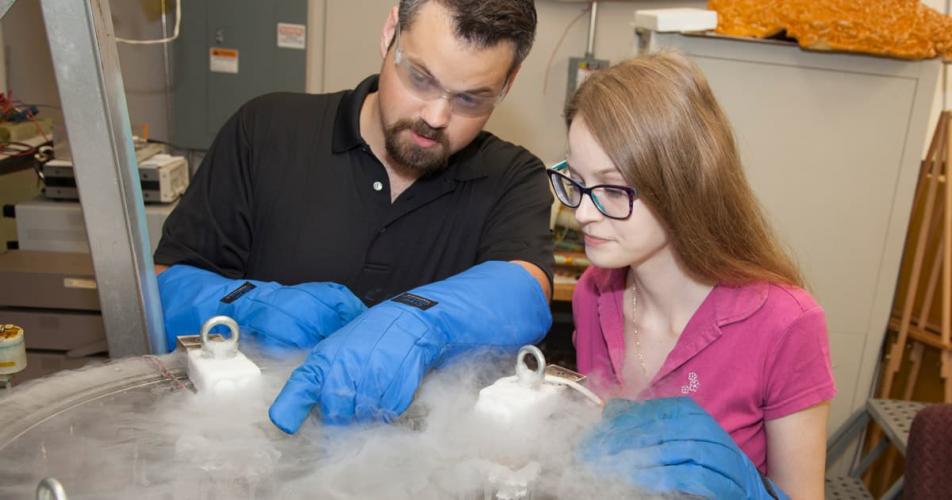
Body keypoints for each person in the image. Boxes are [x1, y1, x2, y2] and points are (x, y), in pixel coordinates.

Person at [154, 0, 554, 432]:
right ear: (390, 34)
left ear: (508, 84)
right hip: (246, 448)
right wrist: (252, 306)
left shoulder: (512, 176)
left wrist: (419, 320)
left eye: (470, 98)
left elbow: (525, 289)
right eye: (420, 78)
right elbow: (164, 283)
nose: (435, 118)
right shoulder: (267, 131)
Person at [552, 53, 835, 499]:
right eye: (576, 180)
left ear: (683, 186)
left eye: (611, 188)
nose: (582, 212)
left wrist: (750, 491)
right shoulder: (594, 293)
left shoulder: (786, 324)